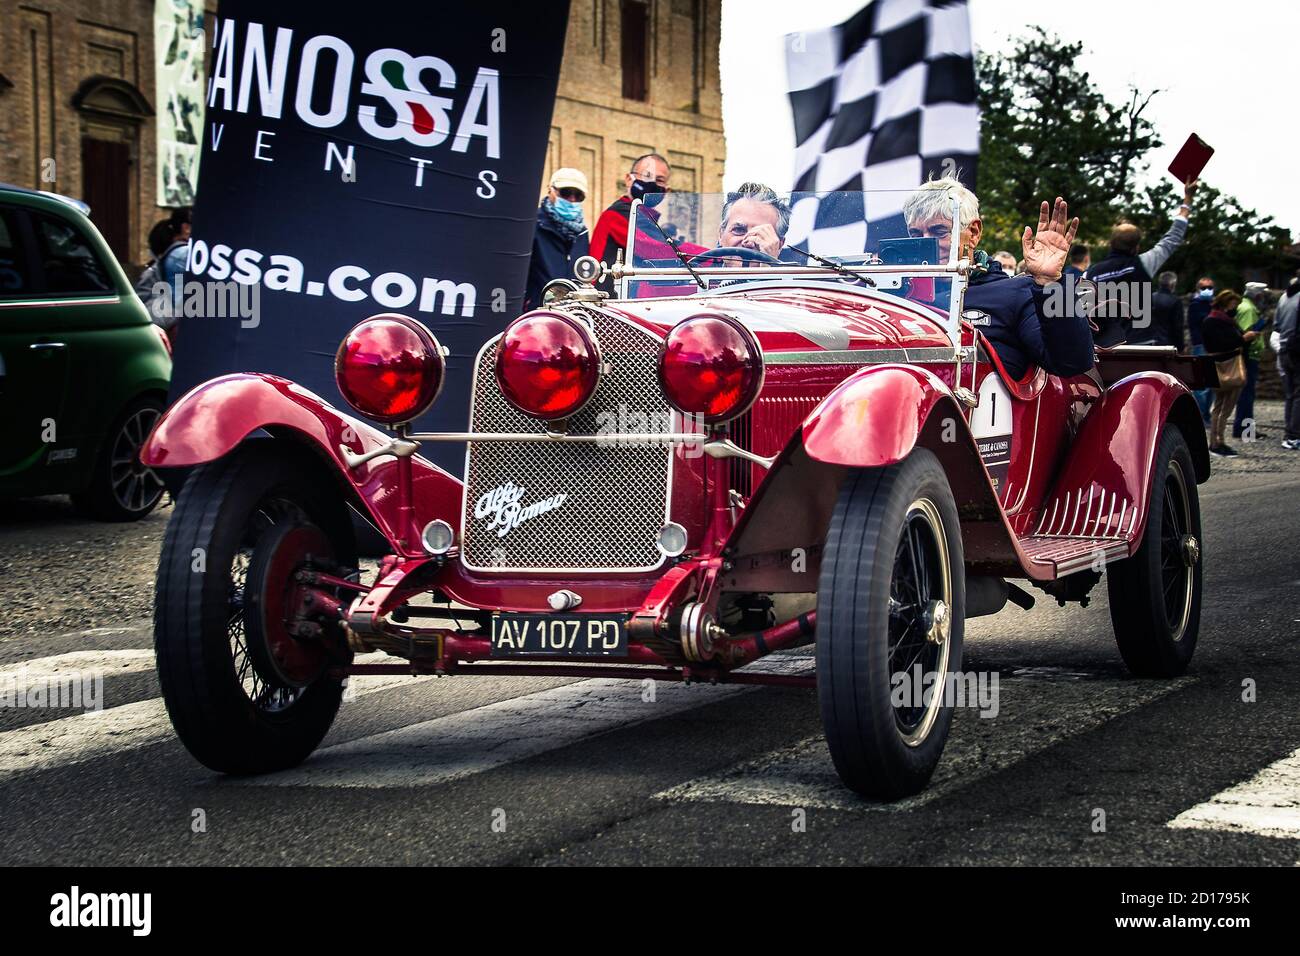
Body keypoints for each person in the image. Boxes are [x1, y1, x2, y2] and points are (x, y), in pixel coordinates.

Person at [903, 177, 1094, 380]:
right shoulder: (893, 295)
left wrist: (1051, 282)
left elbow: (1072, 362)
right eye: (915, 235)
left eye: (939, 231)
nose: (925, 244)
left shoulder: (1016, 292)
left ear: (974, 232)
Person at [1086, 178, 1196, 346]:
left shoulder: (1091, 273)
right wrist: (1187, 199)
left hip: (1105, 348)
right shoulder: (1143, 264)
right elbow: (1172, 239)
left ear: (1111, 244)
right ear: (1136, 248)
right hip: (1140, 344)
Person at [588, 153, 672, 282]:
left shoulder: (647, 218)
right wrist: (708, 257)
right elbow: (659, 249)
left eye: (659, 180)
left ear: (667, 190)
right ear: (628, 179)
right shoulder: (618, 214)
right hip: (607, 298)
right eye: (646, 176)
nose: (652, 184)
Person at [523, 168, 590, 311]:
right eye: (566, 192)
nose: (572, 199)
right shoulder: (532, 224)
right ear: (551, 190)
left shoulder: (582, 233)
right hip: (537, 311)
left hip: (573, 315)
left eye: (578, 195)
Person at [1202, 289, 1259, 457]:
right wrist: (1243, 339)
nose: (1235, 308)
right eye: (1233, 304)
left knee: (1220, 407)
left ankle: (1217, 440)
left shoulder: (1221, 320)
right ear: (1225, 304)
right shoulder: (1215, 322)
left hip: (1220, 366)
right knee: (1224, 408)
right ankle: (1216, 442)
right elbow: (1222, 343)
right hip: (1226, 366)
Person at [1232, 282, 1269, 439]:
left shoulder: (1244, 306)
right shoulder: (1249, 309)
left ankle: (1243, 429)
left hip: (1247, 356)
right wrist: (1260, 325)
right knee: (1247, 395)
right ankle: (1245, 431)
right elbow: (1246, 334)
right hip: (1249, 356)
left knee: (1245, 394)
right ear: (1258, 295)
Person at [716, 182, 790, 259]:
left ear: (780, 245)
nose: (749, 243)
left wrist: (768, 266)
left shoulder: (801, 271)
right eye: (739, 230)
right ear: (721, 235)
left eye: (761, 234)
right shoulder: (703, 269)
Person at [1274, 274, 1300, 450]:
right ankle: (1294, 435)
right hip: (1297, 351)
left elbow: (1276, 325)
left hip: (1283, 350)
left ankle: (1289, 433)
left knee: (1290, 394)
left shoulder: (1284, 297)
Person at [1186, 276, 1215, 424]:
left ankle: (1206, 415)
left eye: (1210, 287)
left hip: (1214, 345)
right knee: (1201, 384)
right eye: (1204, 288)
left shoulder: (1213, 304)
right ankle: (1202, 416)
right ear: (1198, 289)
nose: (1207, 291)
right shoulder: (1195, 305)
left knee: (1212, 384)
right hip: (1201, 345)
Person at [1146, 270, 1185, 348]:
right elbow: (1177, 327)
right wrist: (1180, 346)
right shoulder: (1175, 301)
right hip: (1167, 344)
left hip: (1147, 342)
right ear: (1173, 284)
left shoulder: (1148, 298)